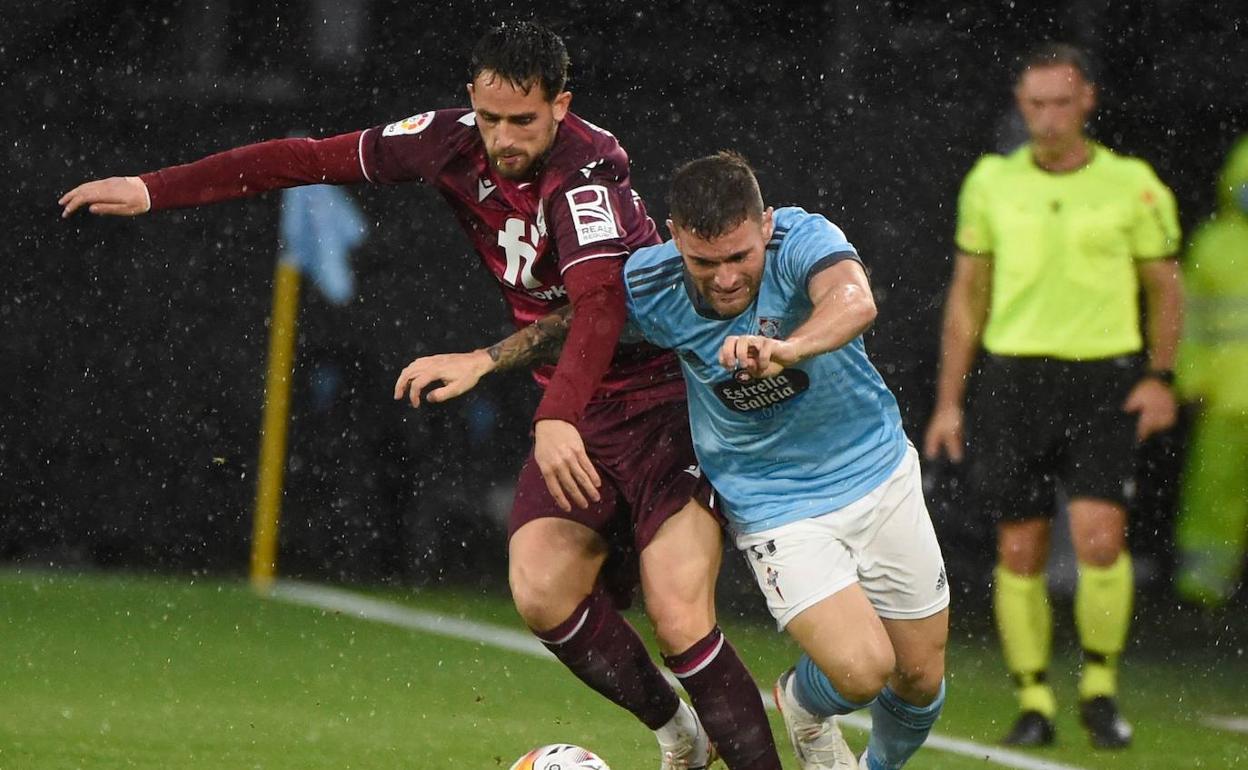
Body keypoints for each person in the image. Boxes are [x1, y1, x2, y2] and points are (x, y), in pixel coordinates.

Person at [59, 22, 781, 770]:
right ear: (471, 98)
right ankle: (680, 737)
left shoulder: (587, 174)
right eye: (491, 116)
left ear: (561, 107)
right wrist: (156, 187)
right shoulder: (446, 141)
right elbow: (307, 160)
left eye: (524, 121)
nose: (504, 137)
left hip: (664, 400)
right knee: (541, 590)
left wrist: (552, 412)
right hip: (575, 404)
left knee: (679, 616)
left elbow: (601, 306)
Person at [418, 151, 951, 770]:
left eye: (739, 258)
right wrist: (485, 359)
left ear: (766, 225)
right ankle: (804, 703)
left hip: (878, 470)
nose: (725, 278)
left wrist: (788, 347)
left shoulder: (804, 236)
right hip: (773, 503)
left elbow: (854, 300)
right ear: (673, 238)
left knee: (919, 681)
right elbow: (579, 323)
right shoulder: (653, 284)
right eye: (704, 261)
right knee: (862, 671)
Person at [923, 43, 1182, 749]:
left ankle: (1099, 688)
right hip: (1014, 381)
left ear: (1087, 101)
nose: (1047, 118)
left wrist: (1160, 377)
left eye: (1061, 103)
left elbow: (1166, 287)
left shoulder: (1133, 184)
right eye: (1034, 104)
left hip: (1103, 378)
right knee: (1020, 550)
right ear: (1020, 104)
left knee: (1102, 541)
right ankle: (1034, 700)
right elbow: (967, 296)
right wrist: (950, 401)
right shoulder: (991, 183)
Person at [1174, 134, 1248, 608]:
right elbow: (1190, 320)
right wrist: (1191, 377)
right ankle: (1205, 588)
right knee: (1212, 494)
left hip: (1228, 390)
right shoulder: (1214, 242)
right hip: (1224, 395)